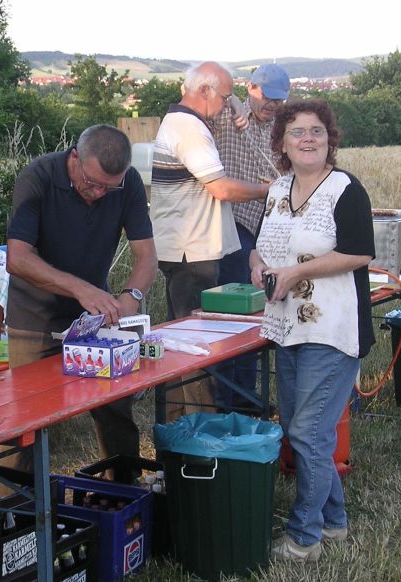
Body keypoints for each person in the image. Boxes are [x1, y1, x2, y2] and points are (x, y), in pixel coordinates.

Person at [0, 124, 157, 493]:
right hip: (35, 319)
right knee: (25, 420)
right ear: (74, 158)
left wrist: (131, 295)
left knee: (116, 408)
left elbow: (146, 255)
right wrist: (79, 287)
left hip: (95, 318)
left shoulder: (126, 182)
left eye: (108, 187)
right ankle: (5, 506)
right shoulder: (38, 177)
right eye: (92, 182)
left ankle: (124, 494)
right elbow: (17, 259)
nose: (100, 193)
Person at [249, 100, 375, 561]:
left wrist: (297, 274)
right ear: (281, 143)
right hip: (287, 327)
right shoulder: (277, 189)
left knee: (307, 432)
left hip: (333, 329)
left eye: (316, 131)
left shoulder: (344, 188)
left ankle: (306, 536)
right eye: (297, 132)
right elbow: (260, 247)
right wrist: (259, 266)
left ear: (330, 140)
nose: (308, 139)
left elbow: (360, 252)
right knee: (305, 431)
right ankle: (335, 521)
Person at [150, 61, 268, 414]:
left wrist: (232, 109)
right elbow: (220, 187)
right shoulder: (189, 130)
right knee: (195, 345)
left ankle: (181, 421)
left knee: (187, 339)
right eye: (225, 98)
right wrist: (270, 190)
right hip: (192, 252)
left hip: (192, 248)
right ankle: (199, 429)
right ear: (204, 91)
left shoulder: (186, 121)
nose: (226, 106)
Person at [211, 63, 291, 412]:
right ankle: (233, 402)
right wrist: (237, 108)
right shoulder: (230, 114)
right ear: (250, 88)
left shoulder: (278, 126)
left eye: (279, 101)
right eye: (268, 98)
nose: (273, 106)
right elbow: (216, 90)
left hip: (267, 225)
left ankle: (248, 397)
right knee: (240, 311)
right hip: (235, 223)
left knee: (260, 311)